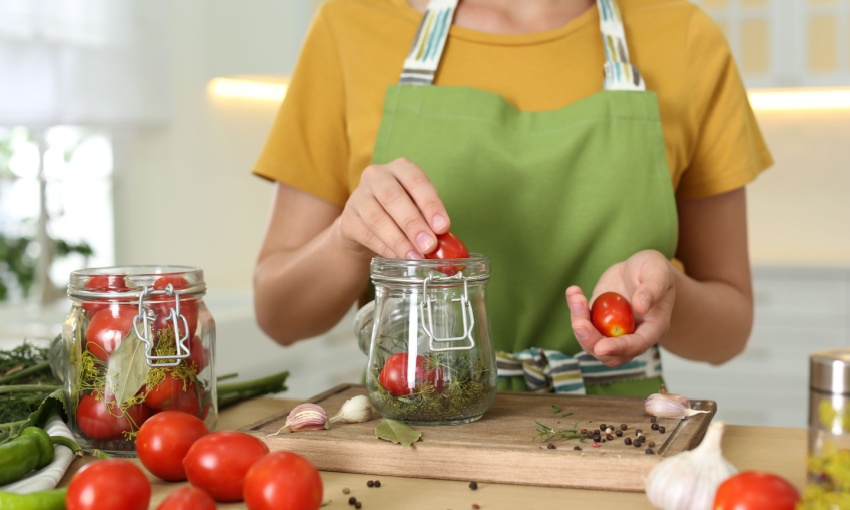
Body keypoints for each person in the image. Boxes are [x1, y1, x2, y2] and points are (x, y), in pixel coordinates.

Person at [251, 0, 772, 396]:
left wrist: (666, 293)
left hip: (620, 445)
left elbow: (729, 329)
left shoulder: (684, 37)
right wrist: (349, 240)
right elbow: (279, 315)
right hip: (419, 432)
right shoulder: (350, 26)